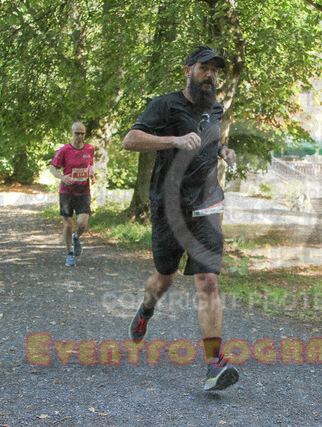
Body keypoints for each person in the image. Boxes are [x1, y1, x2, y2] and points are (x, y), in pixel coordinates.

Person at [123, 46, 238, 391]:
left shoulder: (215, 108)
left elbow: (208, 141)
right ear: (188, 70)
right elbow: (130, 140)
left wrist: (222, 150)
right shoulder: (165, 105)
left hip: (206, 204)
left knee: (208, 281)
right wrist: (173, 139)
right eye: (204, 68)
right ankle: (146, 310)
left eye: (215, 70)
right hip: (169, 206)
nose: (211, 75)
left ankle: (214, 365)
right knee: (164, 279)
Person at [49, 121, 95, 267]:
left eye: (82, 133)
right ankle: (69, 254)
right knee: (68, 225)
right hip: (67, 193)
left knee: (82, 224)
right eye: (77, 133)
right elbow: (52, 168)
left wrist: (92, 173)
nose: (79, 136)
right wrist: (62, 177)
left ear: (85, 134)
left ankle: (76, 237)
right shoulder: (64, 150)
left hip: (83, 192)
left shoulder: (90, 149)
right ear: (71, 133)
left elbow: (90, 165)